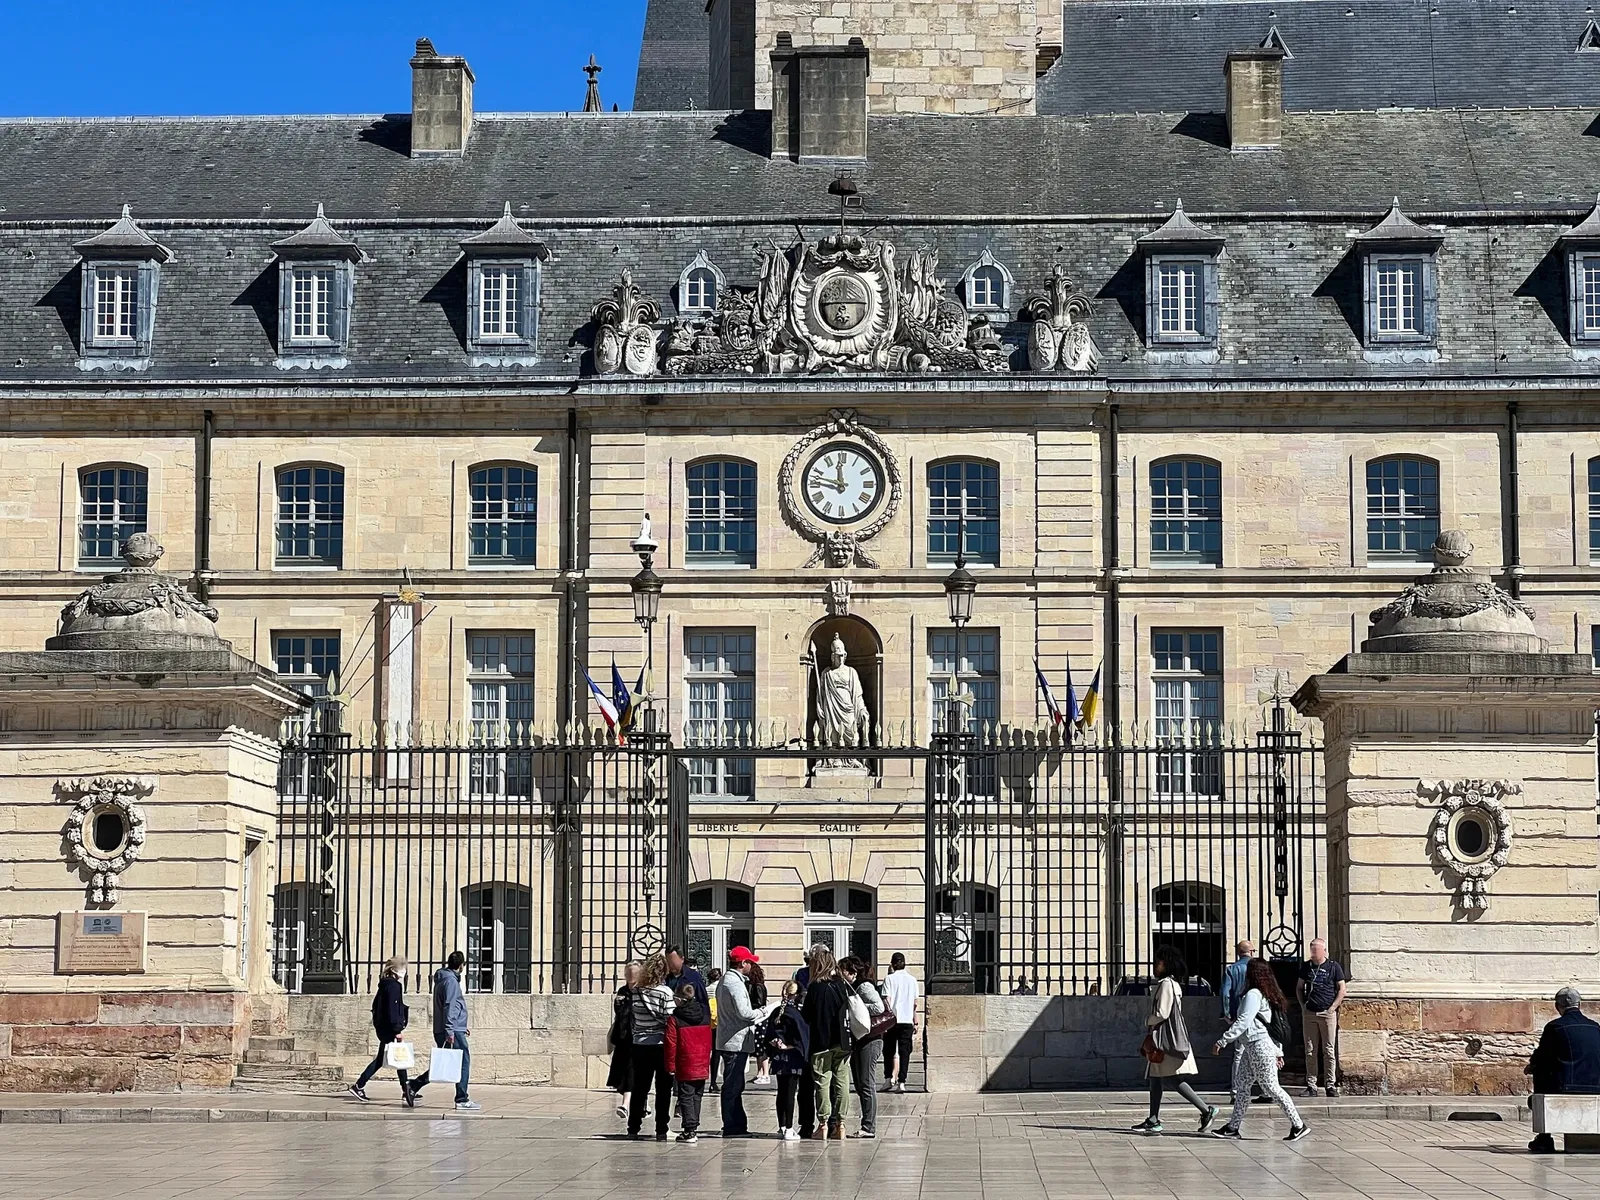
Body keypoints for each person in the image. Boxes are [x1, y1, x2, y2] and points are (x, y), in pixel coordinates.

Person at [1213, 958, 1309, 1142]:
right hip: (1254, 1047)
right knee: (1242, 1086)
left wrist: (1223, 1040)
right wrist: (1278, 1051)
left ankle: (1298, 1125)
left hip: (1258, 1046)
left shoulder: (1254, 995)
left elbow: (1244, 1021)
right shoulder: (1264, 995)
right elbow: (1270, 1026)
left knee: (1271, 1087)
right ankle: (1233, 1127)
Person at [1133, 945, 1218, 1135]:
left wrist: (1148, 1020)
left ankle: (1206, 1110)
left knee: (1172, 1078)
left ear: (1166, 963)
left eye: (1158, 961)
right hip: (1165, 1039)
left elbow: (1162, 1013)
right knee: (1156, 1078)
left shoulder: (1166, 984)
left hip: (1165, 1041)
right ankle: (1153, 1119)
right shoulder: (1172, 983)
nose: (1155, 965)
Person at [1525, 986, 1600, 1152]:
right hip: (1596, 1086)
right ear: (1579, 1005)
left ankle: (1544, 1138)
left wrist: (1531, 1066)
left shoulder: (1555, 1027)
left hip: (1566, 1087)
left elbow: (1542, 1057)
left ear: (1557, 1006)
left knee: (1539, 1071)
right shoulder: (1595, 1027)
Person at [408, 950, 479, 1111]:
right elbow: (450, 1006)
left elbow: (450, 1007)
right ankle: (462, 1098)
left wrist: (460, 1026)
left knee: (445, 1063)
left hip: (447, 1028)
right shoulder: (451, 982)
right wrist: (451, 1030)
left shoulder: (442, 979)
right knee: (462, 1063)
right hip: (450, 1030)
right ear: (461, 966)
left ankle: (413, 1085)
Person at [801, 945, 853, 1140]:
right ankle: (841, 1125)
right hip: (842, 1040)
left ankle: (822, 1125)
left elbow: (806, 1016)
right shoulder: (841, 985)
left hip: (821, 1042)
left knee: (822, 1082)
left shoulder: (815, 987)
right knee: (842, 1082)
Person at [714, 945, 766, 1138]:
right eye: (750, 962)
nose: (752, 966)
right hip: (735, 1041)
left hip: (731, 1040)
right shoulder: (734, 983)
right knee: (733, 1085)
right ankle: (733, 1126)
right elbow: (744, 1013)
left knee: (734, 1084)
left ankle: (736, 1124)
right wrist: (761, 1012)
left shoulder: (727, 980)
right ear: (743, 963)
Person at [349, 955, 414, 1105]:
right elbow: (393, 1009)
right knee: (387, 1059)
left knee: (398, 1058)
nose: (404, 971)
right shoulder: (394, 986)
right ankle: (359, 1085)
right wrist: (397, 1029)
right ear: (395, 970)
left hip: (383, 1027)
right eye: (402, 968)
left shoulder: (384, 985)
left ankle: (407, 1089)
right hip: (390, 1028)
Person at [627, 952, 675, 1140]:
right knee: (663, 1089)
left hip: (640, 1044)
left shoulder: (636, 991)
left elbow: (633, 1016)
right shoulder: (665, 992)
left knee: (640, 1088)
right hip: (661, 1045)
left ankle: (633, 1127)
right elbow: (670, 1019)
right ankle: (661, 1128)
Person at [839, 955, 885, 1138]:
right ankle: (867, 1123)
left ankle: (868, 1127)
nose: (840, 974)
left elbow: (879, 1007)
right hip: (861, 1039)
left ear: (852, 972)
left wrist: (856, 1005)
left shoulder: (864, 986)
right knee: (860, 1083)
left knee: (866, 1083)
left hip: (870, 1039)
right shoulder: (852, 987)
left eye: (843, 970)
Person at [1296, 938, 1347, 1097]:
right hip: (1310, 1013)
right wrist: (1303, 1006)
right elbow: (1299, 987)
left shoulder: (1333, 967)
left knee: (1328, 1050)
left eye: (1316, 951)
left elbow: (1342, 988)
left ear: (1324, 951)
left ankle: (1330, 1084)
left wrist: (1333, 1008)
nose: (1314, 954)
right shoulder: (1306, 967)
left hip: (1327, 1013)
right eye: (1312, 951)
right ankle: (1311, 1085)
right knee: (1310, 1050)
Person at [665, 983, 714, 1145]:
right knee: (697, 1096)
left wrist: (670, 1066)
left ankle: (689, 1130)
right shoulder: (704, 1015)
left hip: (685, 1062)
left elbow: (671, 1044)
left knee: (686, 1096)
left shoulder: (675, 1019)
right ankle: (693, 1127)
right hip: (702, 1061)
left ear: (680, 1000)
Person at [762, 980, 811, 1141]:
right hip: (792, 1057)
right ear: (795, 995)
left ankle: (782, 1126)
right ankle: (789, 1128)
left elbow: (768, 1034)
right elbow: (802, 1036)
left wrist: (776, 1043)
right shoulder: (795, 1014)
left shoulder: (777, 1011)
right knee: (790, 1093)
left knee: (781, 1092)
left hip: (778, 1057)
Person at [881, 952, 919, 1094]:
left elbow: (887, 1001)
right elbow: (915, 1003)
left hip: (892, 1020)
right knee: (905, 1052)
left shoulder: (889, 979)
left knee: (888, 1051)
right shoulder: (912, 980)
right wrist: (915, 1020)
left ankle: (888, 1078)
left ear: (892, 964)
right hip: (906, 1020)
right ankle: (902, 1081)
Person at [607, 962, 641, 1120]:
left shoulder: (642, 991)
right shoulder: (622, 991)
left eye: (632, 973)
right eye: (628, 973)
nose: (630, 976)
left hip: (637, 1038)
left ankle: (626, 1105)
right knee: (623, 1072)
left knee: (631, 1071)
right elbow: (618, 1011)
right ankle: (642, 1104)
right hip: (623, 1038)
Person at [747, 960, 772, 1084]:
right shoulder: (756, 985)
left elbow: (760, 1002)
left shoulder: (758, 986)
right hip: (758, 1019)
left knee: (761, 1046)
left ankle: (765, 1073)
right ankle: (759, 1072)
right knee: (758, 1047)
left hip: (760, 1019)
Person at [1220, 940, 1254, 1022]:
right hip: (1255, 1010)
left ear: (1238, 953)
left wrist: (1226, 1013)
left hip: (1237, 1010)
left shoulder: (1231, 969)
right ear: (1251, 952)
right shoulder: (1257, 968)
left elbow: (1225, 993)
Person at [705, 967, 724, 1094]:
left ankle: (711, 1082)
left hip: (709, 1023)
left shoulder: (706, 989)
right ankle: (714, 1082)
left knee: (711, 1053)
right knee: (719, 1053)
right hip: (720, 1023)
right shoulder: (721, 988)